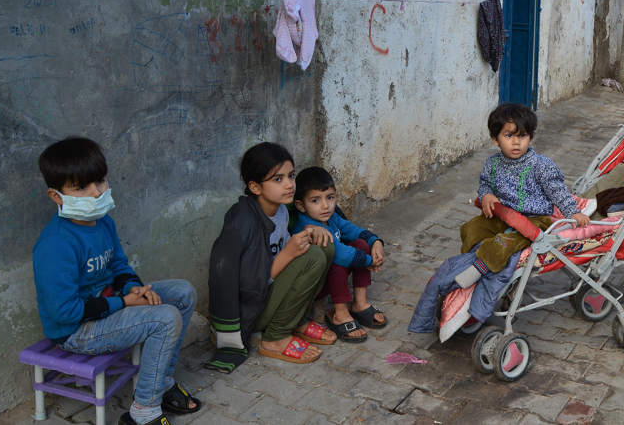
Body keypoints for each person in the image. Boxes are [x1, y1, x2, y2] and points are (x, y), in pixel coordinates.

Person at [33, 137, 200, 425]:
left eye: (100, 181)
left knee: (183, 293)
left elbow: (118, 265)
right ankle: (142, 412)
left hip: (109, 306)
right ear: (57, 196)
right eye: (81, 187)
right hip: (76, 330)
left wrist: (131, 287)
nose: (96, 193)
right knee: (165, 318)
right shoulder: (56, 244)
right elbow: (64, 312)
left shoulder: (103, 222)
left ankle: (159, 383)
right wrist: (123, 302)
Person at [207, 143, 337, 371]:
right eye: (278, 179)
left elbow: (282, 253)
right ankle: (275, 337)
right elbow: (249, 287)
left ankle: (295, 322)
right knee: (313, 255)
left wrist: (306, 236)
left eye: (291, 175)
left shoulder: (281, 210)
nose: (289, 184)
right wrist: (289, 252)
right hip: (249, 313)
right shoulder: (243, 224)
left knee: (322, 244)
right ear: (255, 187)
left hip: (268, 299)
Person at [454, 103, 590, 287]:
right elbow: (486, 183)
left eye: (522, 136)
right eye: (509, 136)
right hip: (503, 215)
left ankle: (480, 267)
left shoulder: (541, 165)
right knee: (470, 228)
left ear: (531, 138)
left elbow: (558, 192)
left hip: (533, 221)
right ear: (496, 139)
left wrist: (572, 212)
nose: (516, 142)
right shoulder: (492, 164)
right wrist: (486, 195)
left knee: (504, 243)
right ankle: (468, 259)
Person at [293, 167, 387, 343]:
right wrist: (369, 261)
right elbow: (340, 255)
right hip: (313, 286)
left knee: (361, 244)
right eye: (315, 200)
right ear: (300, 205)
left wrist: (375, 241)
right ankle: (340, 314)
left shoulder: (332, 217)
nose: (325, 205)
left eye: (330, 197)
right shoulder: (309, 226)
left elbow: (352, 230)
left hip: (329, 278)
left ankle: (359, 303)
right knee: (338, 260)